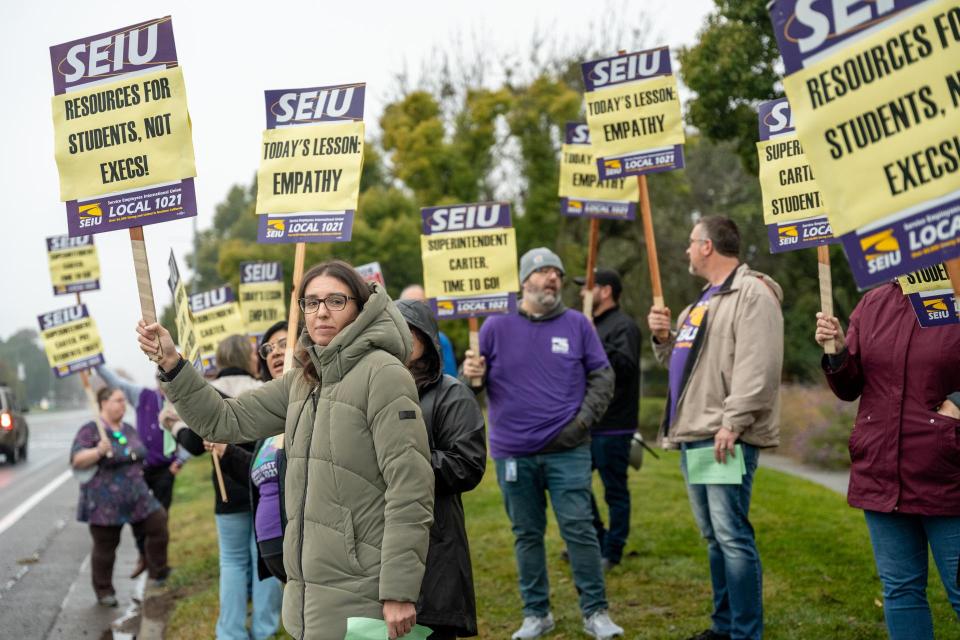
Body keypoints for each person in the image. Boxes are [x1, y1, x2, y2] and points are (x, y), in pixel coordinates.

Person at [138, 260, 434, 640]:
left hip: (365, 589)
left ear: (360, 308)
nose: (321, 311)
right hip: (306, 592)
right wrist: (172, 363)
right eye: (311, 302)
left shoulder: (383, 374)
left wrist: (398, 590)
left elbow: (410, 487)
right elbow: (224, 420)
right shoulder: (302, 381)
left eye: (336, 300)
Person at [462, 247, 622, 640]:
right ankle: (536, 613)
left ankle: (596, 612)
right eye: (544, 271)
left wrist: (582, 422)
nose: (552, 278)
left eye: (557, 273)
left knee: (580, 530)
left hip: (568, 450)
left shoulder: (577, 324)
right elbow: (470, 391)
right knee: (527, 534)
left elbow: (603, 376)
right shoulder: (494, 326)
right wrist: (471, 375)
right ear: (523, 280)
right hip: (514, 454)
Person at [647, 216, 782, 640]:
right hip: (696, 434)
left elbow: (758, 366)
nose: (687, 250)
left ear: (707, 246)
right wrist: (663, 338)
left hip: (724, 435)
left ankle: (745, 632)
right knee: (714, 537)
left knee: (731, 535)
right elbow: (680, 365)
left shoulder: (752, 293)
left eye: (691, 242)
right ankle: (723, 626)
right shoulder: (700, 304)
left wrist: (733, 422)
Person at [815, 282, 960, 640]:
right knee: (900, 591)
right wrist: (838, 352)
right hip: (881, 473)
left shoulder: (956, 291)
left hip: (947, 473)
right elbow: (850, 388)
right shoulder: (874, 302)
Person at [163, 334, 283, 640]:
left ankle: (230, 632)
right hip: (266, 489)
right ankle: (265, 629)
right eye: (255, 354)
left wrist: (174, 425)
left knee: (232, 562)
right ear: (248, 357)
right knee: (266, 559)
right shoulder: (267, 389)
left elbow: (194, 442)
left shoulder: (207, 392)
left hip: (227, 493)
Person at [396, 299, 486, 640]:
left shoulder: (451, 394)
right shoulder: (368, 391)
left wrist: (401, 465)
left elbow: (467, 464)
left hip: (434, 544)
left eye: (408, 330)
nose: (398, 337)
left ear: (426, 337)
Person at [70, 387, 170, 607]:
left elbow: (139, 453)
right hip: (105, 502)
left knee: (158, 523)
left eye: (124, 400)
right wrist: (97, 451)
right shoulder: (91, 430)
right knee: (105, 546)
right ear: (103, 403)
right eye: (118, 400)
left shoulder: (128, 429)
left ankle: (158, 574)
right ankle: (104, 591)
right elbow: (77, 460)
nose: (123, 405)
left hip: (137, 497)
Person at [574, 268, 641, 571]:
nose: (581, 293)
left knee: (614, 490)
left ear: (605, 291)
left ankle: (613, 550)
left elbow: (625, 368)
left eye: (587, 287)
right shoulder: (587, 324)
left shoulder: (624, 326)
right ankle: (597, 539)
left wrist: (593, 340)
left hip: (614, 424)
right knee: (576, 484)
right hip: (585, 422)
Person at [213, 320, 290, 583]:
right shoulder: (272, 412)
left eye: (284, 344)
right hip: (273, 547)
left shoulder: (314, 403)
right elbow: (263, 474)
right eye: (269, 348)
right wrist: (227, 452)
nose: (275, 352)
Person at [95, 365, 181, 578]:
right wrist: (97, 363)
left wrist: (181, 460)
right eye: (162, 379)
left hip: (166, 469)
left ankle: (158, 567)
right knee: (137, 515)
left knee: (160, 517)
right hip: (141, 468)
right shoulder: (142, 396)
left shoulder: (181, 401)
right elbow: (116, 382)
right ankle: (143, 555)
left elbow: (194, 429)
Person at [399, 284, 459, 376]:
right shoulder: (392, 339)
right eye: (409, 306)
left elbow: (450, 376)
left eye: (421, 304)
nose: (416, 310)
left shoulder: (440, 340)